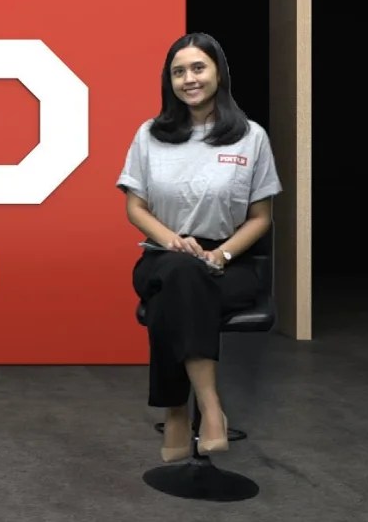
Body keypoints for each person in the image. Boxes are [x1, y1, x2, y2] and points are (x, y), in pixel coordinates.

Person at [117, 32, 282, 463]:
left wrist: (220, 254)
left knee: (178, 290)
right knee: (179, 273)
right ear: (169, 81)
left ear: (218, 73)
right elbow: (135, 207)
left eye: (197, 68)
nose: (188, 79)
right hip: (162, 254)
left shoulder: (251, 137)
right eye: (178, 72)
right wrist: (172, 241)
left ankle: (176, 411)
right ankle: (210, 409)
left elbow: (261, 218)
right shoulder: (150, 135)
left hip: (229, 262)